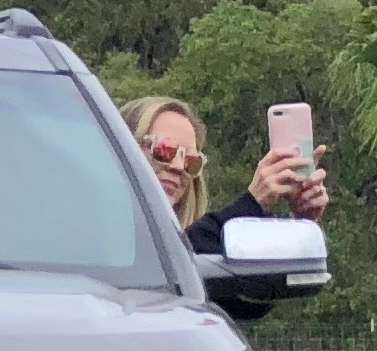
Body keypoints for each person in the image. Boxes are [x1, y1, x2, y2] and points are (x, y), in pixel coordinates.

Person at [122, 94, 329, 253]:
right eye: (164, 149)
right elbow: (180, 258)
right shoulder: (100, 244)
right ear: (118, 150)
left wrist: (302, 223)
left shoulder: (188, 251)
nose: (177, 167)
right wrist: (252, 203)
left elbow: (248, 297)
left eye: (190, 161)